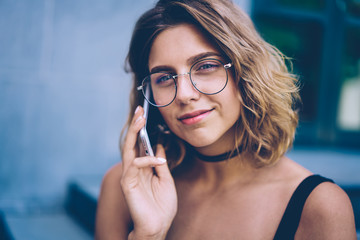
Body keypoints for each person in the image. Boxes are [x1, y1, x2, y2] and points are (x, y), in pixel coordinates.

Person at [95, 0, 357, 239]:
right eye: (164, 77)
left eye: (206, 66)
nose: (184, 95)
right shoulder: (123, 189)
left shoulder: (318, 206)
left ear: (246, 71)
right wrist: (149, 235)